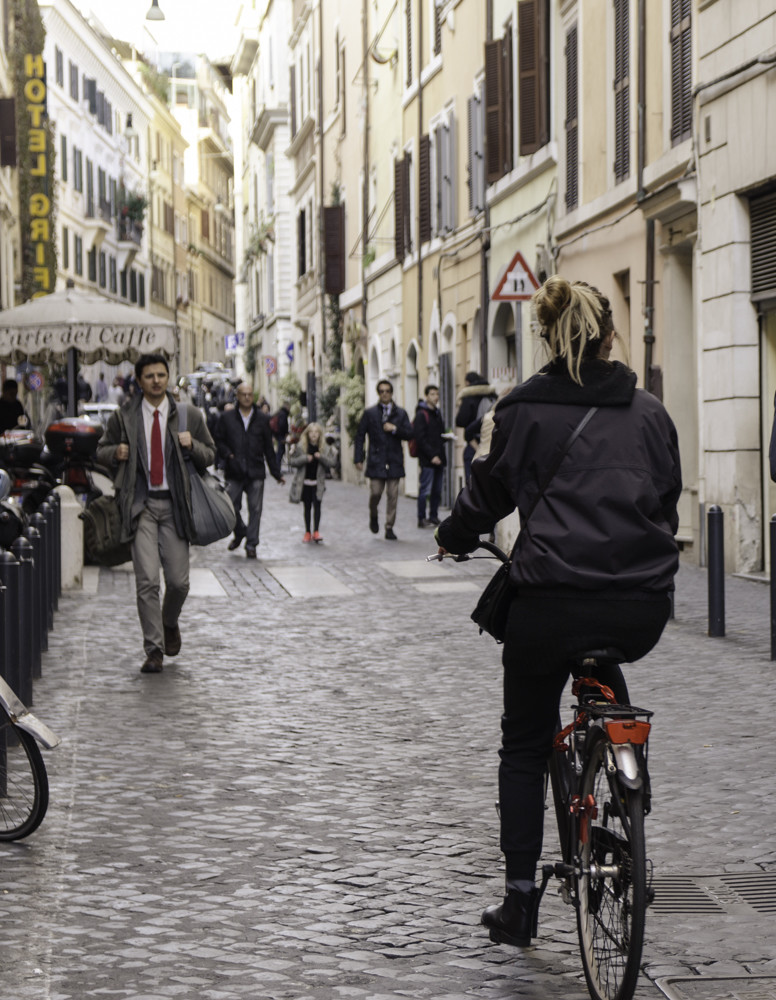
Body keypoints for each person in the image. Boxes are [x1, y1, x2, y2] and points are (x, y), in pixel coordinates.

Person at [436, 276, 682, 948]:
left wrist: (451, 538)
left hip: (549, 605)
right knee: (606, 664)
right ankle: (630, 817)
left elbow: (483, 499)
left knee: (523, 744)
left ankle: (520, 903)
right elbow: (667, 502)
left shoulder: (519, 411)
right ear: (609, 335)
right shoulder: (652, 413)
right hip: (638, 609)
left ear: (547, 336)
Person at [96, 353, 216, 674]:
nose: (156, 381)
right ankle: (154, 649)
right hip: (141, 506)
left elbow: (211, 454)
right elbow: (101, 451)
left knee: (178, 583)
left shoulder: (188, 415)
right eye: (149, 376)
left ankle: (168, 621)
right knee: (147, 581)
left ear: (168, 377)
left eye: (161, 375)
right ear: (139, 381)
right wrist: (115, 452)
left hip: (176, 506)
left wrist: (192, 445)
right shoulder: (124, 417)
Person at [214, 382, 285, 558]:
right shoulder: (227, 417)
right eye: (243, 394)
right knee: (229, 506)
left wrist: (276, 473)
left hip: (255, 470)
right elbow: (218, 440)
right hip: (234, 470)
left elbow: (269, 447)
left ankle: (251, 543)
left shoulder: (262, 419)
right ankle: (240, 531)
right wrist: (228, 455)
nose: (247, 397)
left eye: (250, 394)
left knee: (255, 509)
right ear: (237, 396)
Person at [354, 379, 413, 540]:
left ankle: (389, 527)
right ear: (378, 393)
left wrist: (395, 429)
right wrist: (358, 458)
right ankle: (373, 514)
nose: (385, 394)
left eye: (387, 391)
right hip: (376, 459)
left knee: (393, 495)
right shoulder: (370, 413)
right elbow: (360, 436)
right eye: (381, 391)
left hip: (394, 459)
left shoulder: (401, 413)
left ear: (391, 393)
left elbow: (409, 434)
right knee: (375, 493)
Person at [288, 422, 334, 542]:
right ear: (307, 434)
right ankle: (307, 532)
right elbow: (292, 461)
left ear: (320, 434)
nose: (314, 435)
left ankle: (316, 531)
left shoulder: (324, 448)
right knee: (307, 507)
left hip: (318, 483)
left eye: (316, 432)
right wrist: (304, 458)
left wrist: (321, 457)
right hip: (305, 482)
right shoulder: (301, 447)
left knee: (317, 506)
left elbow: (332, 463)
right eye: (311, 432)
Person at [413, 384, 447, 528]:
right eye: (432, 394)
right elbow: (420, 438)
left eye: (437, 394)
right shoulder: (422, 414)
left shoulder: (437, 413)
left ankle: (433, 516)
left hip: (440, 457)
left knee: (437, 490)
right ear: (427, 396)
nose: (436, 397)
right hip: (428, 459)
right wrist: (432, 455)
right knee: (425, 489)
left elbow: (438, 435)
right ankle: (421, 518)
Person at [455, 372, 497, 482]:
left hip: (474, 442)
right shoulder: (493, 396)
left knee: (471, 483)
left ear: (468, 383)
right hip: (492, 444)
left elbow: (461, 421)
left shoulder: (469, 397)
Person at [270, 402, 291, 471]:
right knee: (280, 451)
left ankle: (276, 466)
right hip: (281, 435)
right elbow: (282, 425)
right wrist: (285, 432)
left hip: (277, 434)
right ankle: (277, 467)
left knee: (281, 450)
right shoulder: (283, 414)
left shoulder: (280, 413)